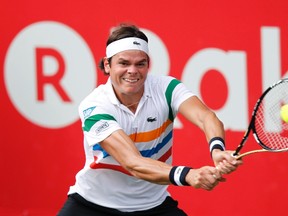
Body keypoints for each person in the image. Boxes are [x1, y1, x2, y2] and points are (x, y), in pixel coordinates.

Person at [57, 23, 242, 216]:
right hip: (92, 205)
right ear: (107, 65)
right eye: (124, 63)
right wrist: (188, 175)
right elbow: (133, 163)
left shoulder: (166, 88)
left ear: (148, 65)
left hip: (153, 206)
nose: (132, 70)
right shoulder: (94, 106)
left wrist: (217, 149)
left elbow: (206, 117)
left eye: (140, 64)